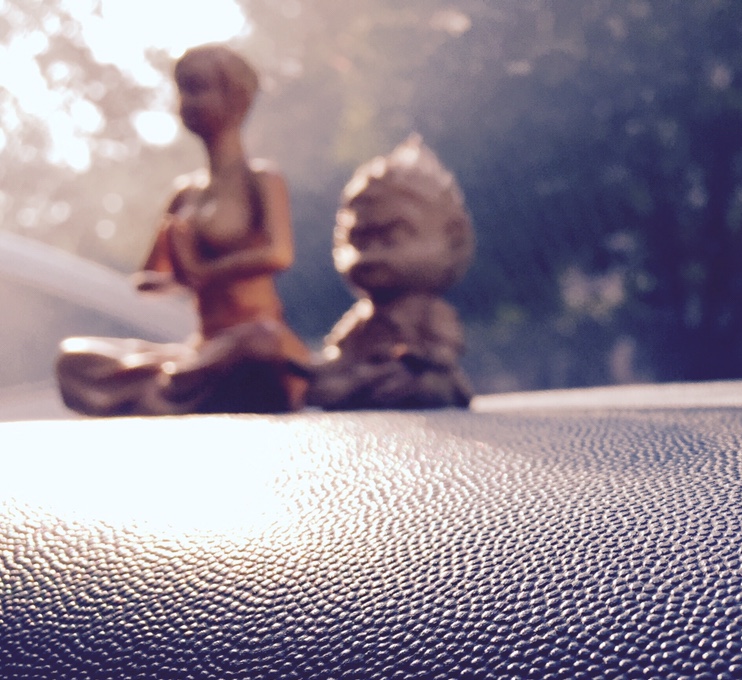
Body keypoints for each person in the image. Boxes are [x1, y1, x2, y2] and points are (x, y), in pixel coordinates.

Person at [56, 44, 311, 416]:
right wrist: (181, 275)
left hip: (250, 334)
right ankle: (182, 381)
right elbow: (149, 280)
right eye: (182, 91)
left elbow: (279, 254)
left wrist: (203, 272)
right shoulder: (185, 194)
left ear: (235, 97)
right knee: (74, 359)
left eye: (198, 88)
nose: (186, 102)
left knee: (261, 345)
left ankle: (175, 385)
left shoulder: (260, 179)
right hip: (205, 347)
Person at [308, 135, 474, 410]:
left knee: (428, 387)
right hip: (367, 378)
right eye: (360, 240)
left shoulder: (431, 313)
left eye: (391, 238)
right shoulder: (363, 318)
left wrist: (419, 359)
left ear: (453, 238)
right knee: (331, 389)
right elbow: (339, 354)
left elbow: (443, 353)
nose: (372, 254)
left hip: (416, 375)